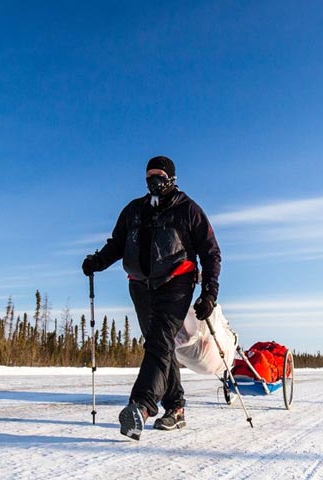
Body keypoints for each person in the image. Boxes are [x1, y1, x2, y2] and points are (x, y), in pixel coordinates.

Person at [82, 156, 221, 440]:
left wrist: (209, 293)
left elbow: (210, 252)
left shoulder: (188, 210)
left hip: (177, 283)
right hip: (140, 286)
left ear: (171, 178)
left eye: (159, 176)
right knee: (161, 345)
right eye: (149, 177)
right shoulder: (135, 210)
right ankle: (177, 408)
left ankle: (141, 407)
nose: (153, 182)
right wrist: (97, 261)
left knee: (159, 340)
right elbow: (117, 244)